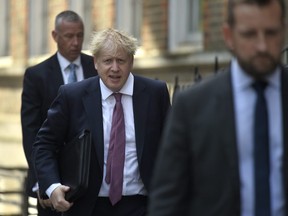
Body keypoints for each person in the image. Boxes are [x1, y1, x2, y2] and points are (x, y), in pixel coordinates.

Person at [148, 0, 288, 215]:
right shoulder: (192, 106)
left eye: (270, 33)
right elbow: (167, 201)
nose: (262, 46)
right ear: (228, 35)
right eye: (249, 34)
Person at [32, 28, 171, 216]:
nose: (115, 68)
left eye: (121, 60)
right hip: (88, 207)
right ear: (95, 62)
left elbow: (173, 148)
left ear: (131, 61)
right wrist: (52, 186)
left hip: (142, 205)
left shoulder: (155, 93)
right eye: (107, 61)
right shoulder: (72, 96)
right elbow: (44, 144)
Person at [21, 10, 97, 216]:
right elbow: (31, 132)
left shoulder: (97, 67)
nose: (75, 42)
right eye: (69, 36)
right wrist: (43, 182)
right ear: (55, 36)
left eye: (80, 35)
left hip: (91, 174)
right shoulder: (36, 76)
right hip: (51, 173)